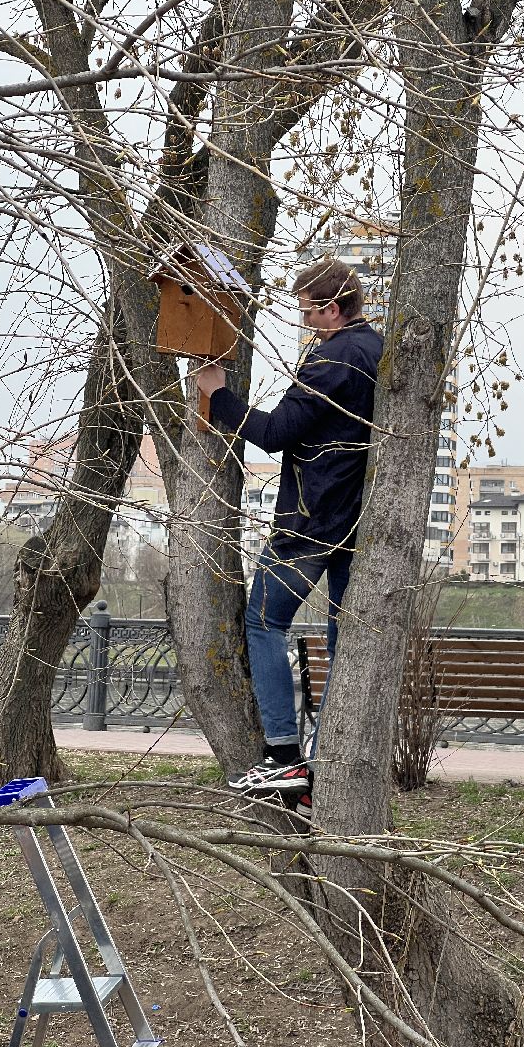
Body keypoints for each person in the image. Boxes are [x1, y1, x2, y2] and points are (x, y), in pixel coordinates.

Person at [196, 258, 382, 803]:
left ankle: (283, 756)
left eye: (308, 311)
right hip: (357, 515)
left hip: (311, 514)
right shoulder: (377, 350)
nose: (304, 322)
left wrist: (219, 395)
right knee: (343, 637)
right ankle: (326, 760)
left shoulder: (330, 358)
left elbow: (276, 433)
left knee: (264, 622)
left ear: (331, 309)